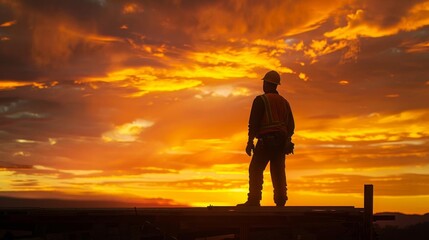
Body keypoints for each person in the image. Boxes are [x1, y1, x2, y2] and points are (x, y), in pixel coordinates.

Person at [237, 70, 295, 207]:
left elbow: (254, 123)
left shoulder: (261, 100)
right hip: (280, 143)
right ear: (276, 85)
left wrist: (250, 142)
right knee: (278, 172)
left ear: (266, 83)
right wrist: (286, 140)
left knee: (255, 170)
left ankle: (254, 200)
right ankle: (281, 200)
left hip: (265, 142)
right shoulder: (284, 102)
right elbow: (291, 125)